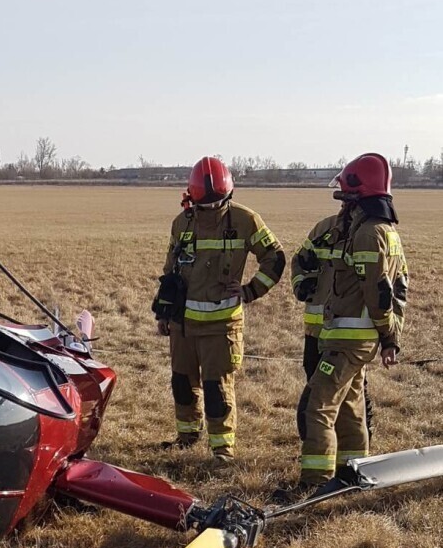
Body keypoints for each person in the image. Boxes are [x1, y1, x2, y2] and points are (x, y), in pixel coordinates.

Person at [152, 157, 285, 460]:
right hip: (183, 325)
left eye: (217, 203)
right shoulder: (181, 223)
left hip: (221, 326)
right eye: (205, 205)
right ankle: (186, 437)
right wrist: (164, 313)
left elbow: (275, 258)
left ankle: (222, 450)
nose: (211, 209)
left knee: (217, 390)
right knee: (182, 384)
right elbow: (170, 272)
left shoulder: (245, 220)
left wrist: (251, 290)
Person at [295, 154, 408, 489]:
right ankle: (356, 472)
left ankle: (315, 482)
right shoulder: (375, 231)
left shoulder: (369, 235)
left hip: (349, 340)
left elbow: (379, 294)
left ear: (359, 197)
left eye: (346, 196)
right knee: (350, 406)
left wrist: (389, 337)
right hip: (347, 338)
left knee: (318, 406)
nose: (342, 203)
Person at [291, 206, 373, 443]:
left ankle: (332, 457)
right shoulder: (324, 229)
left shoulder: (370, 235)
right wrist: (301, 283)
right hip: (316, 331)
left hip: (348, 334)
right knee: (319, 390)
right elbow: (299, 260)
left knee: (346, 397)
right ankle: (329, 447)